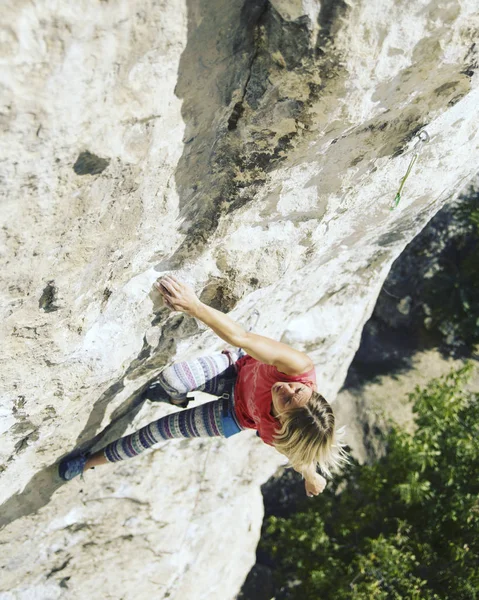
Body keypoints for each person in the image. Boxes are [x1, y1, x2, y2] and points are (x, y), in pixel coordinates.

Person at [59, 274, 346, 496]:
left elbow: (300, 460)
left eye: (285, 401)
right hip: (236, 369)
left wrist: (312, 477)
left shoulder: (280, 434)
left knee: (157, 432)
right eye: (297, 390)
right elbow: (243, 338)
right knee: (172, 379)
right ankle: (173, 396)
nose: (285, 389)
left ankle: (86, 463)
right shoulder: (297, 368)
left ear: (283, 422)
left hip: (233, 417)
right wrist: (194, 306)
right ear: (311, 390)